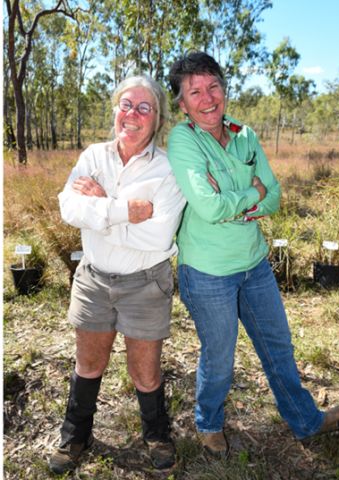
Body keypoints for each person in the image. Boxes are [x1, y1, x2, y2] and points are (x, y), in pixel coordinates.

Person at [166, 51, 339, 457]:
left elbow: (276, 197)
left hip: (254, 264)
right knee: (220, 355)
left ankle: (305, 421)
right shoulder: (182, 140)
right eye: (194, 91)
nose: (207, 97)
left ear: (224, 89)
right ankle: (208, 423)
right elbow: (210, 206)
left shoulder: (245, 135)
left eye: (213, 86)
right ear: (182, 104)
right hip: (208, 270)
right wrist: (252, 193)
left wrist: (238, 200)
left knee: (278, 346)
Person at [50, 75, 186, 474]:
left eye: (145, 108)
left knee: (145, 371)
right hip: (94, 280)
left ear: (157, 119)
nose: (133, 114)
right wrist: (124, 211)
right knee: (88, 364)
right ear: (114, 109)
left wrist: (101, 209)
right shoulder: (93, 156)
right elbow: (69, 209)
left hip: (146, 283)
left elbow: (158, 237)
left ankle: (156, 433)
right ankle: (76, 434)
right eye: (126, 104)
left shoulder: (166, 169)